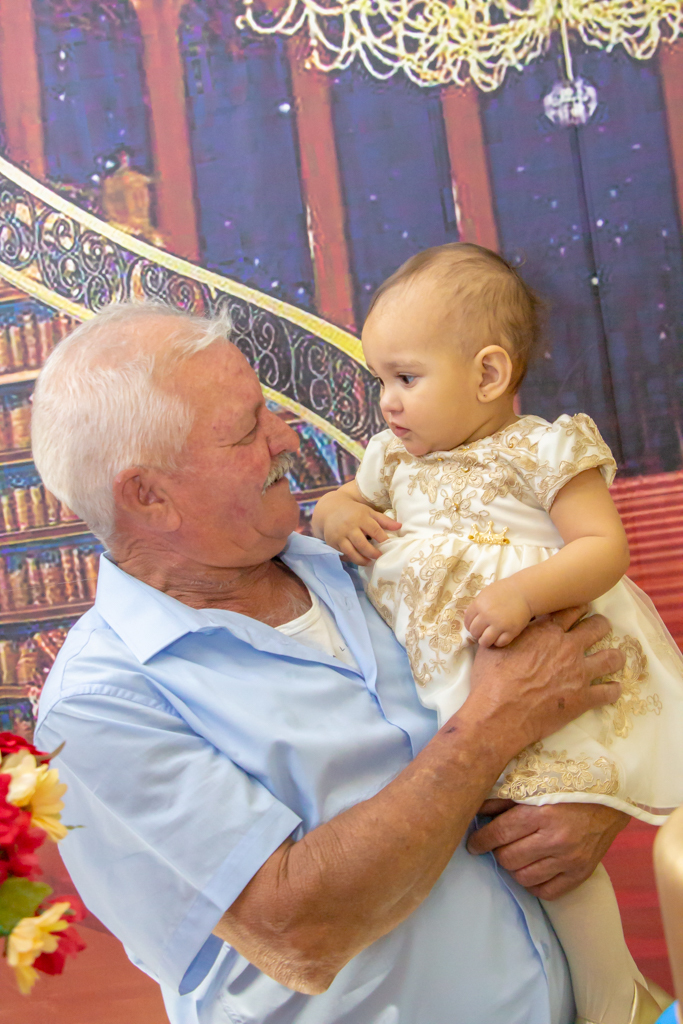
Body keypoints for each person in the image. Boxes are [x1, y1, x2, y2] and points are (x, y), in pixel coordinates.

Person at [32, 301, 630, 1024]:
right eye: (247, 429)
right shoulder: (102, 704)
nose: (286, 438)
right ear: (149, 496)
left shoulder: (373, 561)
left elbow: (573, 675)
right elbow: (297, 932)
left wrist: (594, 807)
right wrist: (490, 727)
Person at [312, 243, 682, 1024]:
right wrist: (338, 513)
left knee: (542, 847)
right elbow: (337, 501)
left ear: (486, 375)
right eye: (380, 380)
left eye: (405, 378)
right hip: (456, 690)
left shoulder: (541, 449)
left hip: (539, 662)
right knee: (499, 846)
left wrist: (521, 592)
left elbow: (600, 548)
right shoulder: (389, 461)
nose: (386, 402)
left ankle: (616, 999)